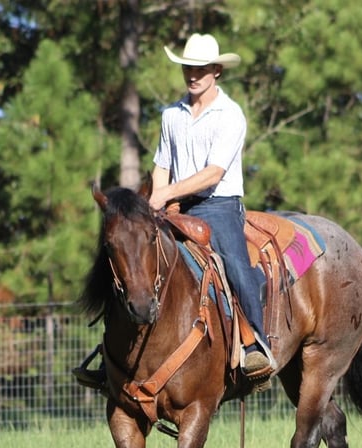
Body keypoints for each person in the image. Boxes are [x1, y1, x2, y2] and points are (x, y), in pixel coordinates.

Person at [73, 33, 276, 390]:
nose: (192, 74)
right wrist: (155, 198)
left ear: (216, 71)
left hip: (220, 206)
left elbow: (215, 173)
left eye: (200, 68)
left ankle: (254, 344)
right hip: (174, 206)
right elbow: (162, 166)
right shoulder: (171, 115)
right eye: (187, 67)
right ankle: (111, 355)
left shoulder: (230, 115)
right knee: (132, 256)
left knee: (236, 266)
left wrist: (166, 192)